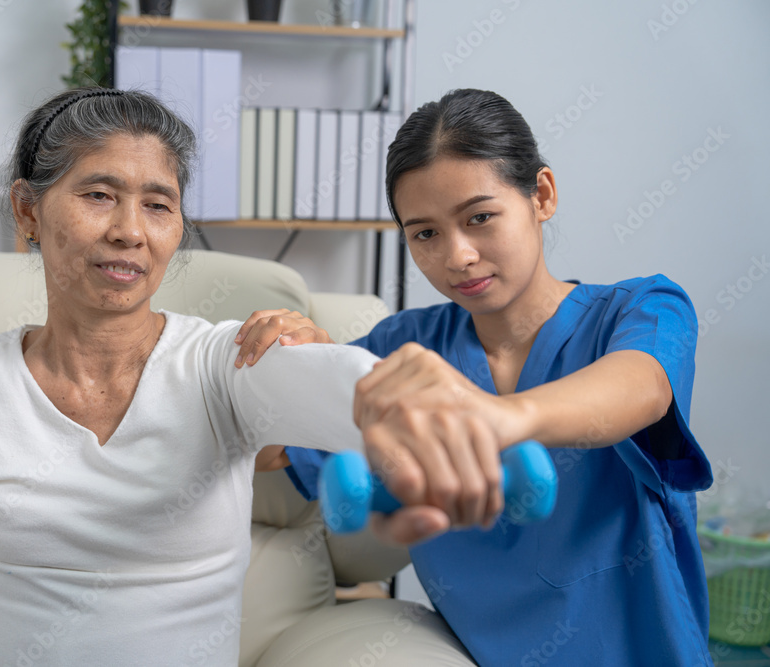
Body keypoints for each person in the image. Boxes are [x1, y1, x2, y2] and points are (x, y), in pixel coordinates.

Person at [0, 88, 472, 666]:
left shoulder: (222, 366)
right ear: (27, 211)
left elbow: (336, 395)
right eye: (99, 194)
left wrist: (395, 401)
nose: (130, 230)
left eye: (158, 204)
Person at [236, 89, 715, 665]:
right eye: (426, 234)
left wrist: (493, 417)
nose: (457, 255)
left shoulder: (642, 308)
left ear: (541, 195)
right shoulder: (401, 347)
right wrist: (295, 366)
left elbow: (641, 387)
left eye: (480, 217)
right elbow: (266, 446)